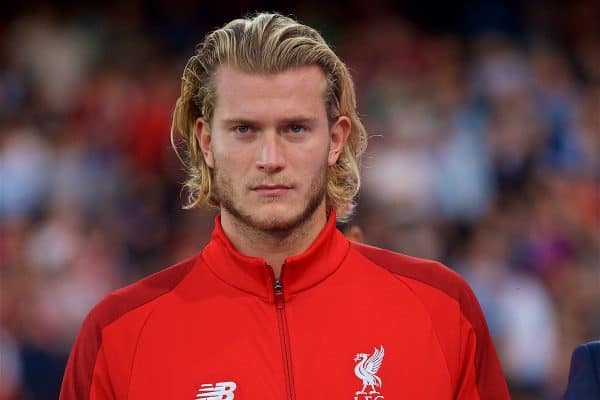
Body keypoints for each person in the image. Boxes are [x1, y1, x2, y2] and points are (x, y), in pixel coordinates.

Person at [60, 12, 510, 399]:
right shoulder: (117, 336)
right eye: (244, 130)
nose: (270, 159)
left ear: (336, 140)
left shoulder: (442, 310)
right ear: (206, 141)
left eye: (295, 129)